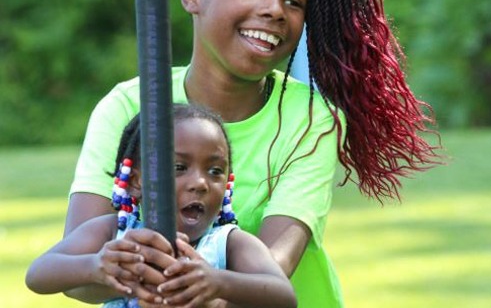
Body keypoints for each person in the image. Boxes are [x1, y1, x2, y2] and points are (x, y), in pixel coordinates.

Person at [64, 0, 441, 306]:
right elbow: (76, 272)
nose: (276, 10)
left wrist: (197, 282)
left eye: (294, 1)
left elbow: (272, 271)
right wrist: (115, 266)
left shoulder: (311, 119)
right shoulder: (127, 107)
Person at [27, 104, 297, 308]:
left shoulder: (228, 243)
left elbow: (283, 295)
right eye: (179, 167)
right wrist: (97, 267)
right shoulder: (115, 235)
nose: (201, 183)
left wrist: (217, 282)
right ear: (136, 181)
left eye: (215, 171)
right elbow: (38, 274)